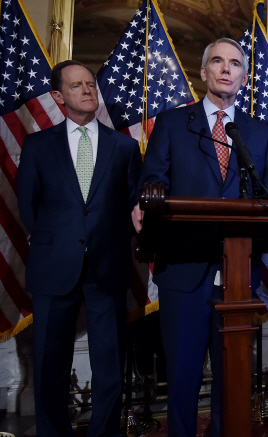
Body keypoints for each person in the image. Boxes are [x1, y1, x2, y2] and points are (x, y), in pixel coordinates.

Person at [132, 38, 268, 436]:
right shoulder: (172, 123)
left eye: (235, 63)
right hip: (183, 267)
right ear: (203, 73)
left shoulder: (258, 132)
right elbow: (152, 181)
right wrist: (144, 202)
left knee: (231, 376)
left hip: (238, 272)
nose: (225, 69)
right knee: (182, 375)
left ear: (244, 77)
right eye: (217, 61)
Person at [17, 60, 142, 436]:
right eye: (77, 86)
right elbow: (29, 205)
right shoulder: (38, 145)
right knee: (50, 362)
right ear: (58, 96)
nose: (87, 90)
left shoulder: (124, 145)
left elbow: (133, 203)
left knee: (109, 363)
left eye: (90, 84)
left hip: (108, 265)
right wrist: (57, 240)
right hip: (55, 264)